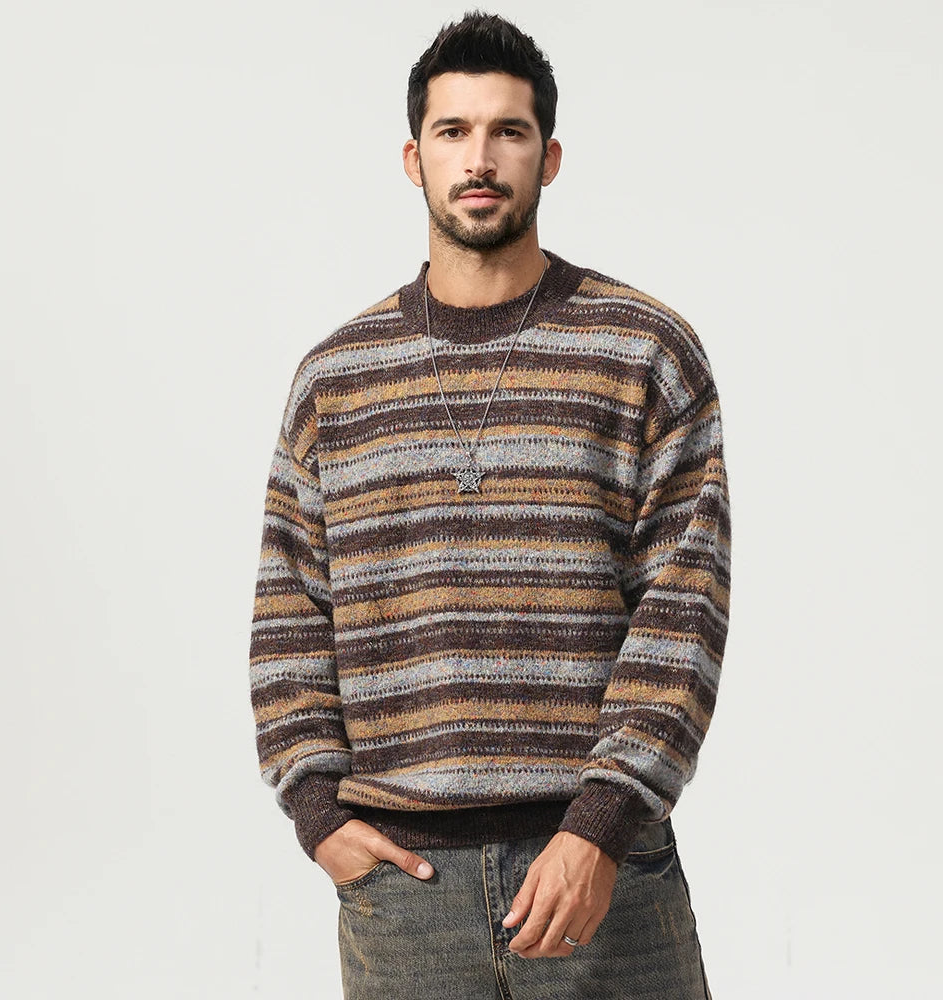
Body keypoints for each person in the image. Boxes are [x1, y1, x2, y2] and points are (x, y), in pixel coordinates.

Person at [248, 11, 731, 999]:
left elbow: (684, 608)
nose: (479, 159)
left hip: (600, 872)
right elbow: (289, 610)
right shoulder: (336, 379)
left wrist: (601, 823)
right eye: (453, 131)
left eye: (508, 131)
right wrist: (320, 816)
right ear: (413, 158)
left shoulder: (643, 351)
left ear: (548, 157)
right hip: (404, 893)